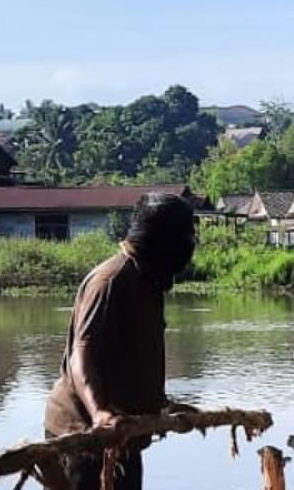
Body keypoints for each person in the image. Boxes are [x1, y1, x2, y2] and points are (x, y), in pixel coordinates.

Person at [44, 193, 197, 490]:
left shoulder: (147, 281)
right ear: (163, 242)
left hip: (124, 433)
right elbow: (82, 355)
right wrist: (100, 412)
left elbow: (131, 357)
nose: (191, 246)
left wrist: (160, 406)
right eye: (186, 238)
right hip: (86, 436)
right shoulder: (112, 281)